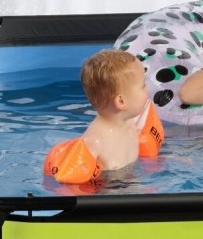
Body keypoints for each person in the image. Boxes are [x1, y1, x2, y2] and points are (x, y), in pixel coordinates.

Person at [43, 49, 164, 184]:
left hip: (133, 180)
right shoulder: (95, 141)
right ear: (121, 101)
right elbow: (71, 181)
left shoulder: (132, 121)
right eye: (143, 86)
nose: (148, 89)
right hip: (110, 190)